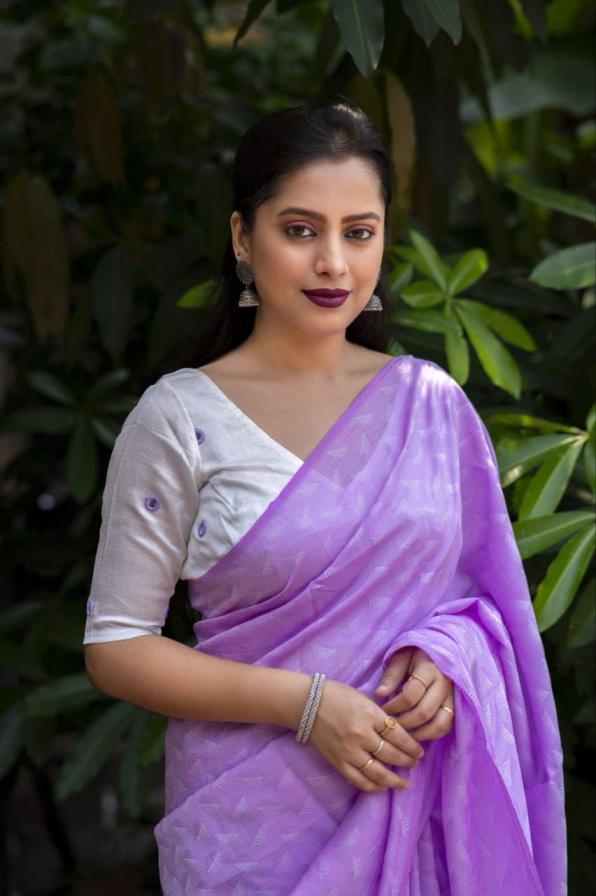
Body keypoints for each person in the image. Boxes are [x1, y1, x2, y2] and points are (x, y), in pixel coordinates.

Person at [83, 101, 566, 895]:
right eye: (301, 230)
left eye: (359, 232)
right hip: (252, 837)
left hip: (423, 809)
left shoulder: (430, 407)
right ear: (244, 238)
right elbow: (117, 645)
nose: (333, 262)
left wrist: (449, 660)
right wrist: (308, 706)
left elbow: (488, 606)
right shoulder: (180, 420)